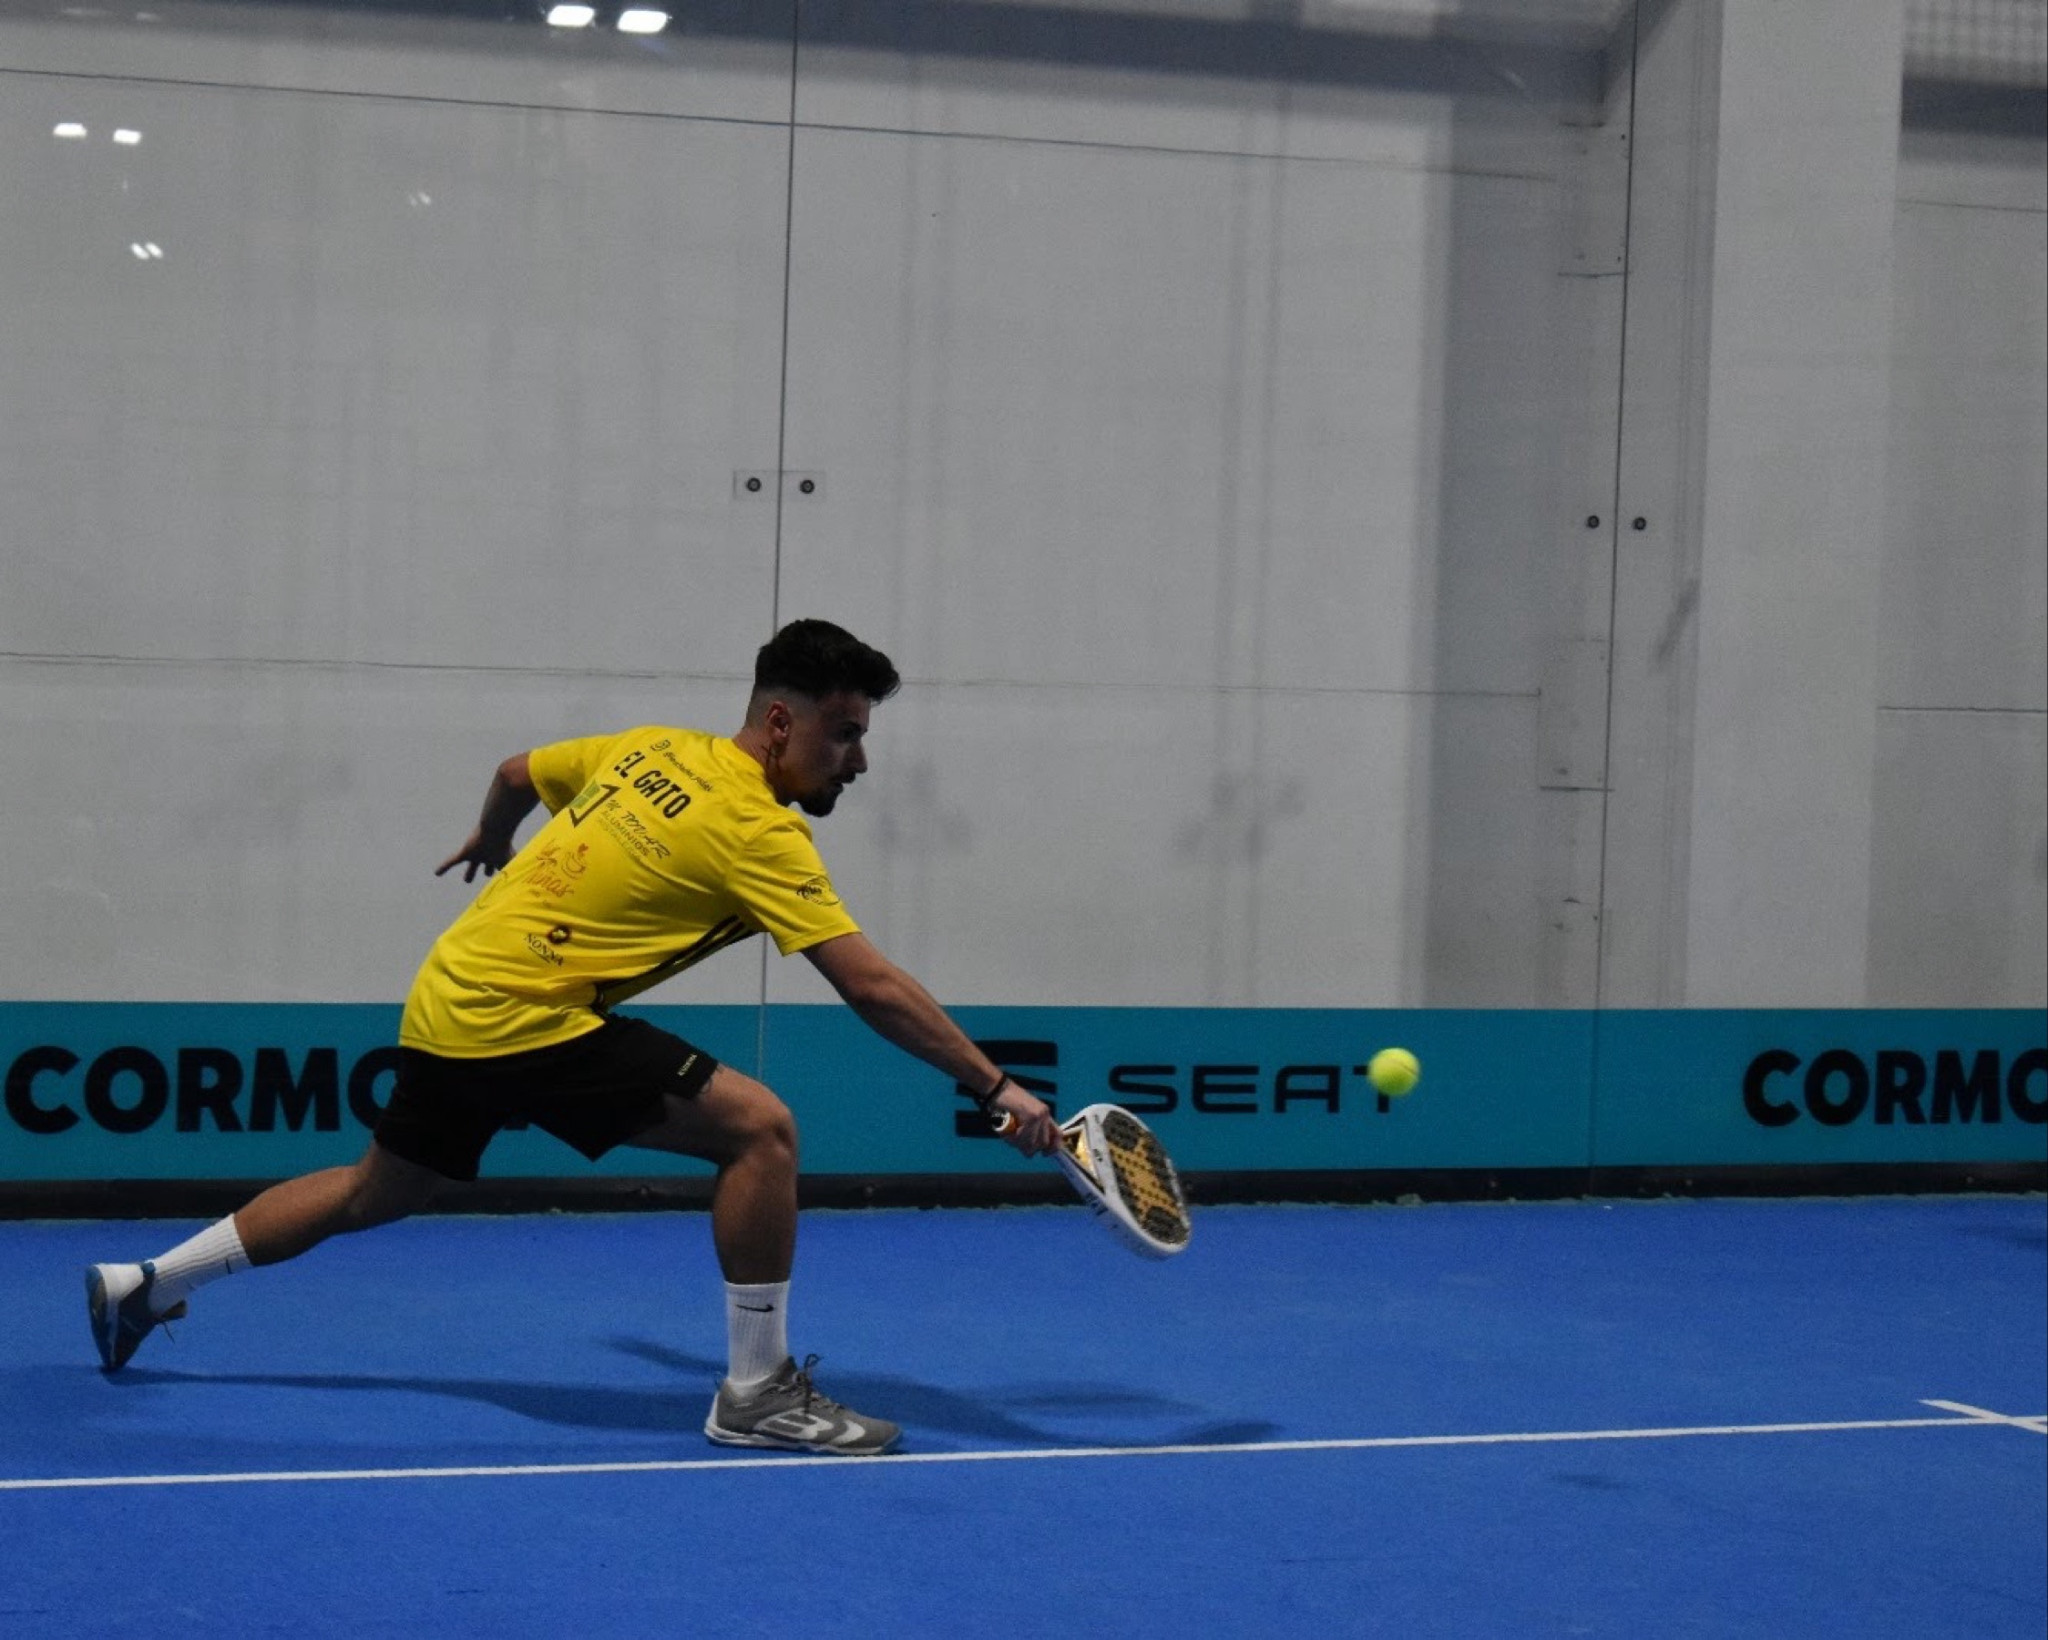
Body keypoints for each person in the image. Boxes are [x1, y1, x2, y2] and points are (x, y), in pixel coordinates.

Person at [85, 618, 1058, 1456]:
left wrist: (493, 839)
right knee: (760, 1130)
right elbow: (870, 984)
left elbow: (515, 772)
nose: (858, 761)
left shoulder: (650, 750)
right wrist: (993, 1085)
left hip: (452, 991)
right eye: (844, 734)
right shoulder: (758, 832)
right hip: (524, 1016)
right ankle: (757, 1391)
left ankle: (145, 1284)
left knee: (376, 1189)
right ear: (778, 722)